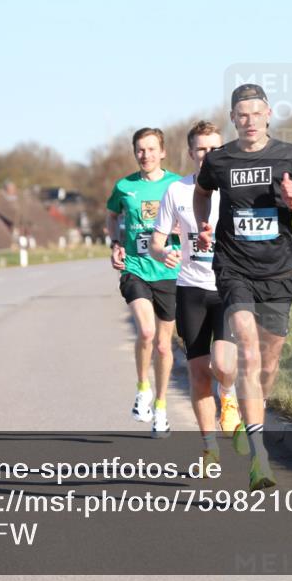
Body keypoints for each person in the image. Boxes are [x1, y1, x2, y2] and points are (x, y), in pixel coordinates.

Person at [193, 84, 292, 490]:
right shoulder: (219, 160)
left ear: (268, 114)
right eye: (242, 114)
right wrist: (203, 224)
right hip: (234, 269)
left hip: (279, 272)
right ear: (233, 119)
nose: (249, 121)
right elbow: (202, 192)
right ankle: (259, 458)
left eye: (256, 113)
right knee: (248, 352)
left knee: (268, 364)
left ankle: (254, 411)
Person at [151, 121, 241, 467]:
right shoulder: (176, 191)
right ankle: (209, 448)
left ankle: (228, 395)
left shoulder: (233, 188)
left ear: (223, 151)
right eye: (201, 149)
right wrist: (163, 253)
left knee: (224, 365)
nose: (207, 155)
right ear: (190, 153)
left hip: (228, 287)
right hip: (191, 289)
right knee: (199, 373)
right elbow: (157, 241)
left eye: (214, 149)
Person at [106, 127, 181, 438]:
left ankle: (161, 408)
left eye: (151, 149)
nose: (145, 155)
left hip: (169, 271)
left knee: (164, 345)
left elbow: (196, 218)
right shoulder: (124, 186)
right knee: (147, 331)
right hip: (135, 269)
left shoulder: (177, 185)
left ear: (162, 152)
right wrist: (115, 242)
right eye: (140, 149)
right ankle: (142, 389)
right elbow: (112, 215)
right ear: (134, 152)